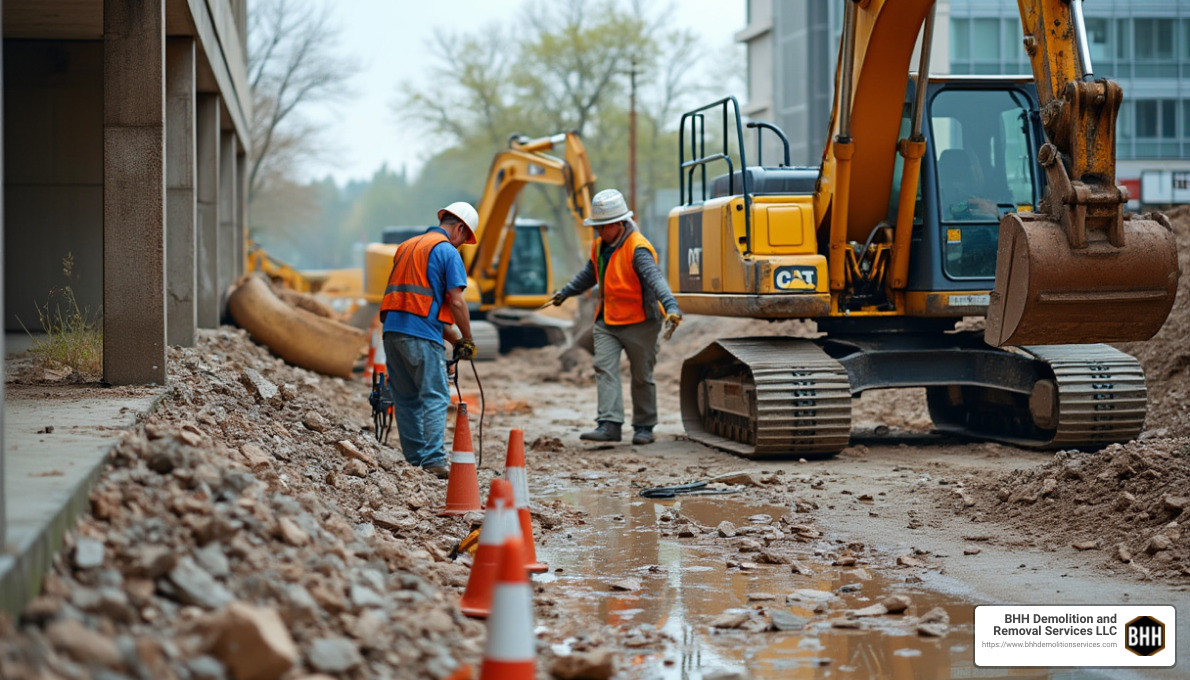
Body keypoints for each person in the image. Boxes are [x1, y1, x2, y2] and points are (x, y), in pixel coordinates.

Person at [550, 188, 682, 445]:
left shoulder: (638, 248)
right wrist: (565, 292)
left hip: (640, 322)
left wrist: (672, 307)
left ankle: (644, 426)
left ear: (620, 223)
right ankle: (609, 424)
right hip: (607, 320)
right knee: (604, 368)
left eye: (603, 226)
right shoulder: (599, 246)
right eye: (597, 226)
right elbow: (589, 274)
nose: (599, 231)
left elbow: (656, 280)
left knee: (642, 375)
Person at [381, 202, 479, 479]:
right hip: (421, 337)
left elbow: (422, 307)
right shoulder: (447, 250)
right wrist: (468, 338)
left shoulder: (407, 246)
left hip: (392, 332)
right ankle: (434, 461)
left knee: (406, 398)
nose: (462, 246)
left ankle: (414, 461)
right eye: (464, 239)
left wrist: (456, 341)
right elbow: (457, 302)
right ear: (459, 228)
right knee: (435, 396)